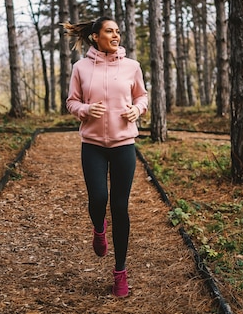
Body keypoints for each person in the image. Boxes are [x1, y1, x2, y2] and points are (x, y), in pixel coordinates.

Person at [64, 17, 148, 298]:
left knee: (120, 207)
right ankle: (99, 229)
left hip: (124, 144)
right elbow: (71, 102)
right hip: (93, 145)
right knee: (99, 198)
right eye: (110, 31)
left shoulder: (131, 67)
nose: (116, 35)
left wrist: (138, 110)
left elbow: (142, 97)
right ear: (95, 37)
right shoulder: (81, 68)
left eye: (118, 31)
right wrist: (85, 110)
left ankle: (120, 272)